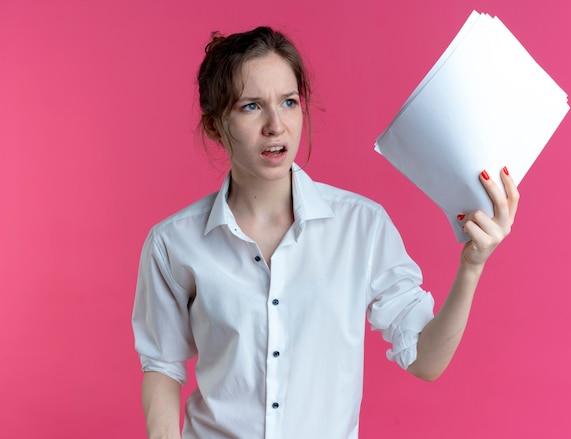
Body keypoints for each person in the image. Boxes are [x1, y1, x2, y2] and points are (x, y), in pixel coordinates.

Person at [132, 26, 519, 439]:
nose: (275, 125)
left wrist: (471, 266)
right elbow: (162, 363)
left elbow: (426, 360)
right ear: (214, 126)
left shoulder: (362, 227)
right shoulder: (173, 243)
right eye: (250, 106)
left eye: (289, 102)